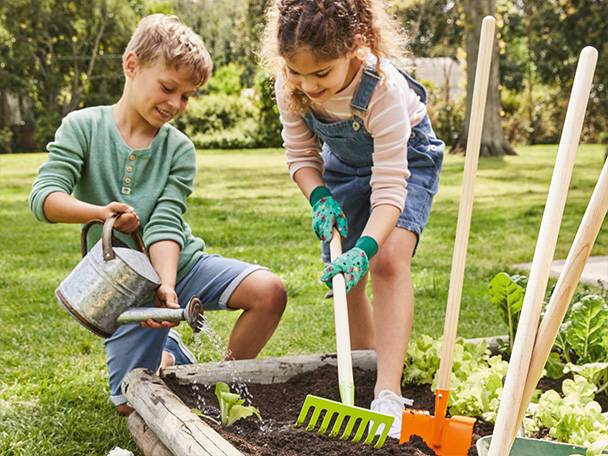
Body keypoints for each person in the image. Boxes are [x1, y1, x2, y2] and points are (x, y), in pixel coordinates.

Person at [29, 14, 287, 416]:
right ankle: (171, 358)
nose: (175, 105)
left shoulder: (178, 149)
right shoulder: (82, 128)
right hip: (126, 285)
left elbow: (167, 221)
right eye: (168, 88)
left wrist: (167, 287)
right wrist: (101, 213)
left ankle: (217, 385)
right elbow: (44, 198)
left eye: (187, 96)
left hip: (180, 266)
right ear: (131, 65)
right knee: (128, 405)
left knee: (269, 292)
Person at [261, 0, 444, 437]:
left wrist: (366, 246)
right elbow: (301, 155)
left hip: (407, 160)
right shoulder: (291, 87)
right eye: (295, 72)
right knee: (344, 276)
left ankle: (388, 393)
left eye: (321, 73)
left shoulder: (383, 89)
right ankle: (364, 371)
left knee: (387, 259)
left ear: (356, 48)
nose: (308, 84)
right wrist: (320, 197)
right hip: (341, 165)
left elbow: (389, 187)